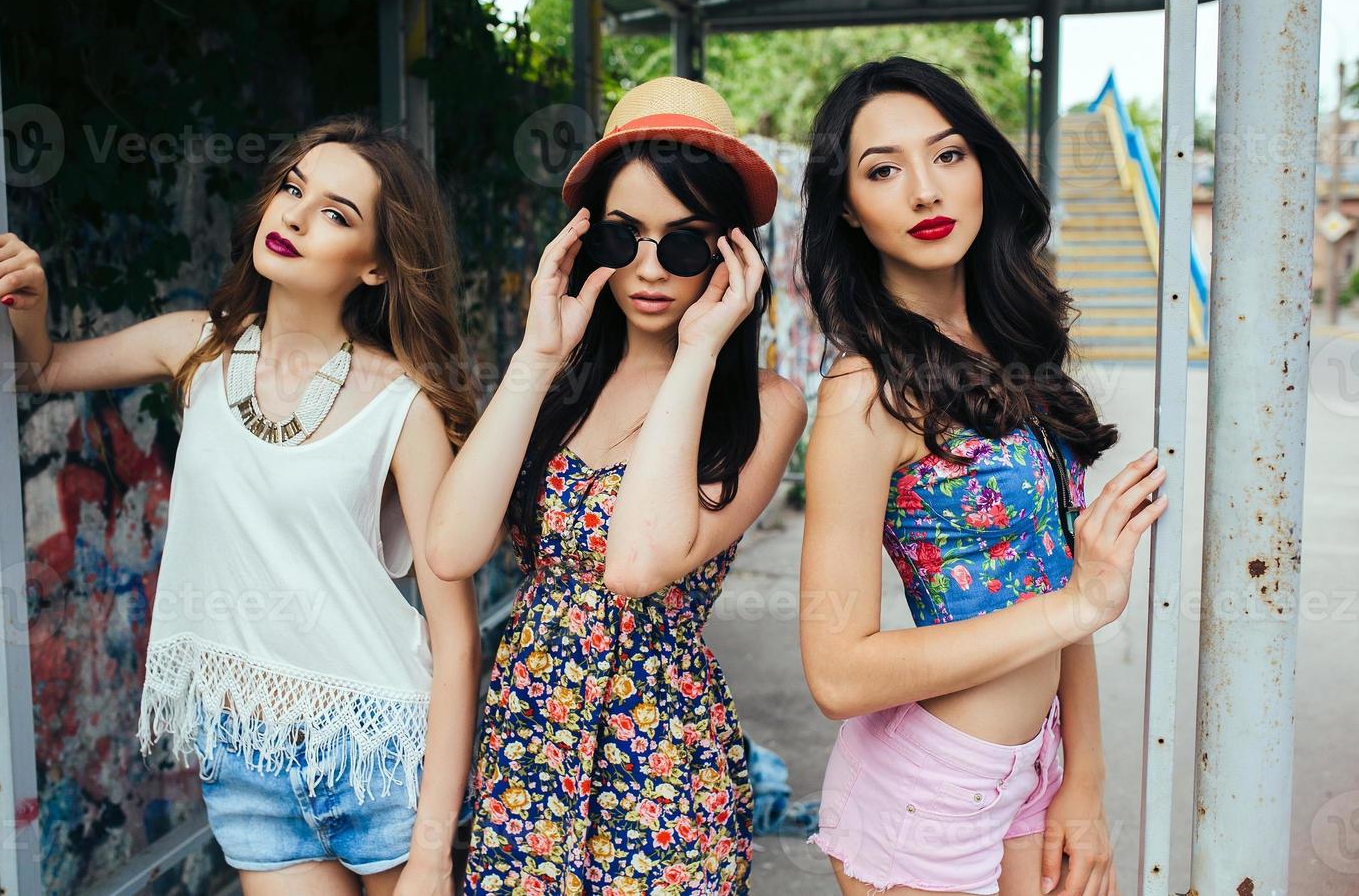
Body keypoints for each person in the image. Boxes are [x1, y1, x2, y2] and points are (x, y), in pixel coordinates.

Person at [0, 115, 481, 894]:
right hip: (248, 753)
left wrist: (435, 852)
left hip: (381, 751)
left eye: (336, 214)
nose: (296, 216)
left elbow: (454, 636)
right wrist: (29, 300)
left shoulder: (401, 405)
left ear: (377, 266)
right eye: (293, 189)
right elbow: (38, 369)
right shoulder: (196, 347)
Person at [425, 77, 807, 893]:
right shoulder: (558, 385)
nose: (648, 268)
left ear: (732, 252)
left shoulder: (763, 406)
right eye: (622, 237)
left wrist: (700, 351)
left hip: (662, 764)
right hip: (528, 748)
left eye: (684, 244)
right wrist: (534, 359)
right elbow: (452, 548)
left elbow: (636, 568)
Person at [796, 58, 1167, 896]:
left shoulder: (1008, 347)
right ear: (849, 210)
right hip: (929, 793)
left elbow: (1055, 576)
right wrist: (1082, 601)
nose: (924, 190)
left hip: (1033, 769)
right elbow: (837, 673)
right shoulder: (867, 391)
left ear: (983, 171)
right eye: (883, 170)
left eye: (948, 155)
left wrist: (1085, 783)